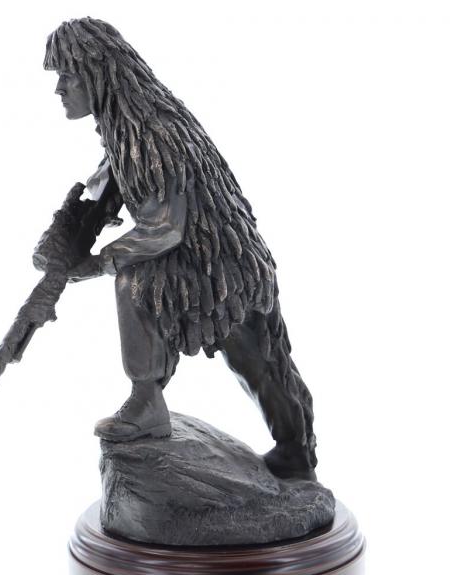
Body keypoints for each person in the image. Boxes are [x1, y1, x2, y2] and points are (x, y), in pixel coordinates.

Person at [45, 18, 317, 479]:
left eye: (67, 75)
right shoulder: (124, 126)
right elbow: (109, 187)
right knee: (256, 361)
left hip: (217, 265)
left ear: (98, 73)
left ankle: (148, 402)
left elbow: (165, 228)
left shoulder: (151, 131)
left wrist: (98, 263)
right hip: (210, 259)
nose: (59, 89)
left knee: (138, 284)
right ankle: (294, 449)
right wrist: (61, 239)